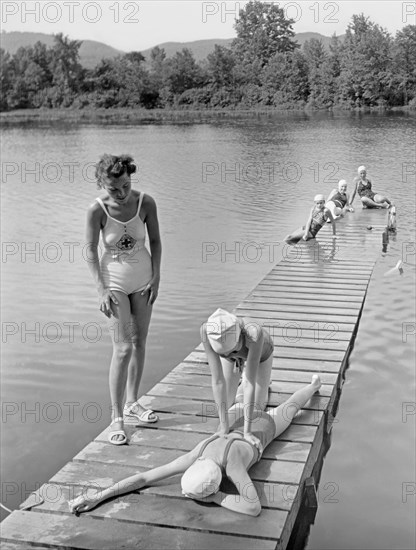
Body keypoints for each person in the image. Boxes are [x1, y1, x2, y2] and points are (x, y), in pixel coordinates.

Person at [68, 375, 322, 517]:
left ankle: (312, 386)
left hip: (262, 428)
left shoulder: (232, 467)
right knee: (253, 397)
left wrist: (217, 498)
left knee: (290, 408)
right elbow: (144, 478)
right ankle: (304, 383)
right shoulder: (198, 454)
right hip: (236, 419)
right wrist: (99, 496)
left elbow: (253, 507)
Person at [86, 154, 162, 445]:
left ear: (131, 177)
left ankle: (133, 402)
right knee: (122, 348)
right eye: (113, 188)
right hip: (114, 282)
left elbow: (155, 241)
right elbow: (91, 250)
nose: (121, 193)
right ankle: (116, 417)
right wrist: (100, 290)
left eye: (125, 186)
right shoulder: (97, 209)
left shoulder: (146, 203)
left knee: (140, 342)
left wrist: (157, 277)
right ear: (102, 183)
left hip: (143, 280)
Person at [201, 309, 274, 452]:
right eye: (223, 353)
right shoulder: (206, 331)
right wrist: (223, 427)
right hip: (232, 360)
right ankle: (241, 375)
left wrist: (247, 432)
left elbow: (249, 384)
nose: (228, 354)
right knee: (227, 405)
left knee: (258, 408)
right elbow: (217, 381)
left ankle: (263, 383)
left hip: (261, 354)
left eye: (232, 350)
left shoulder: (254, 333)